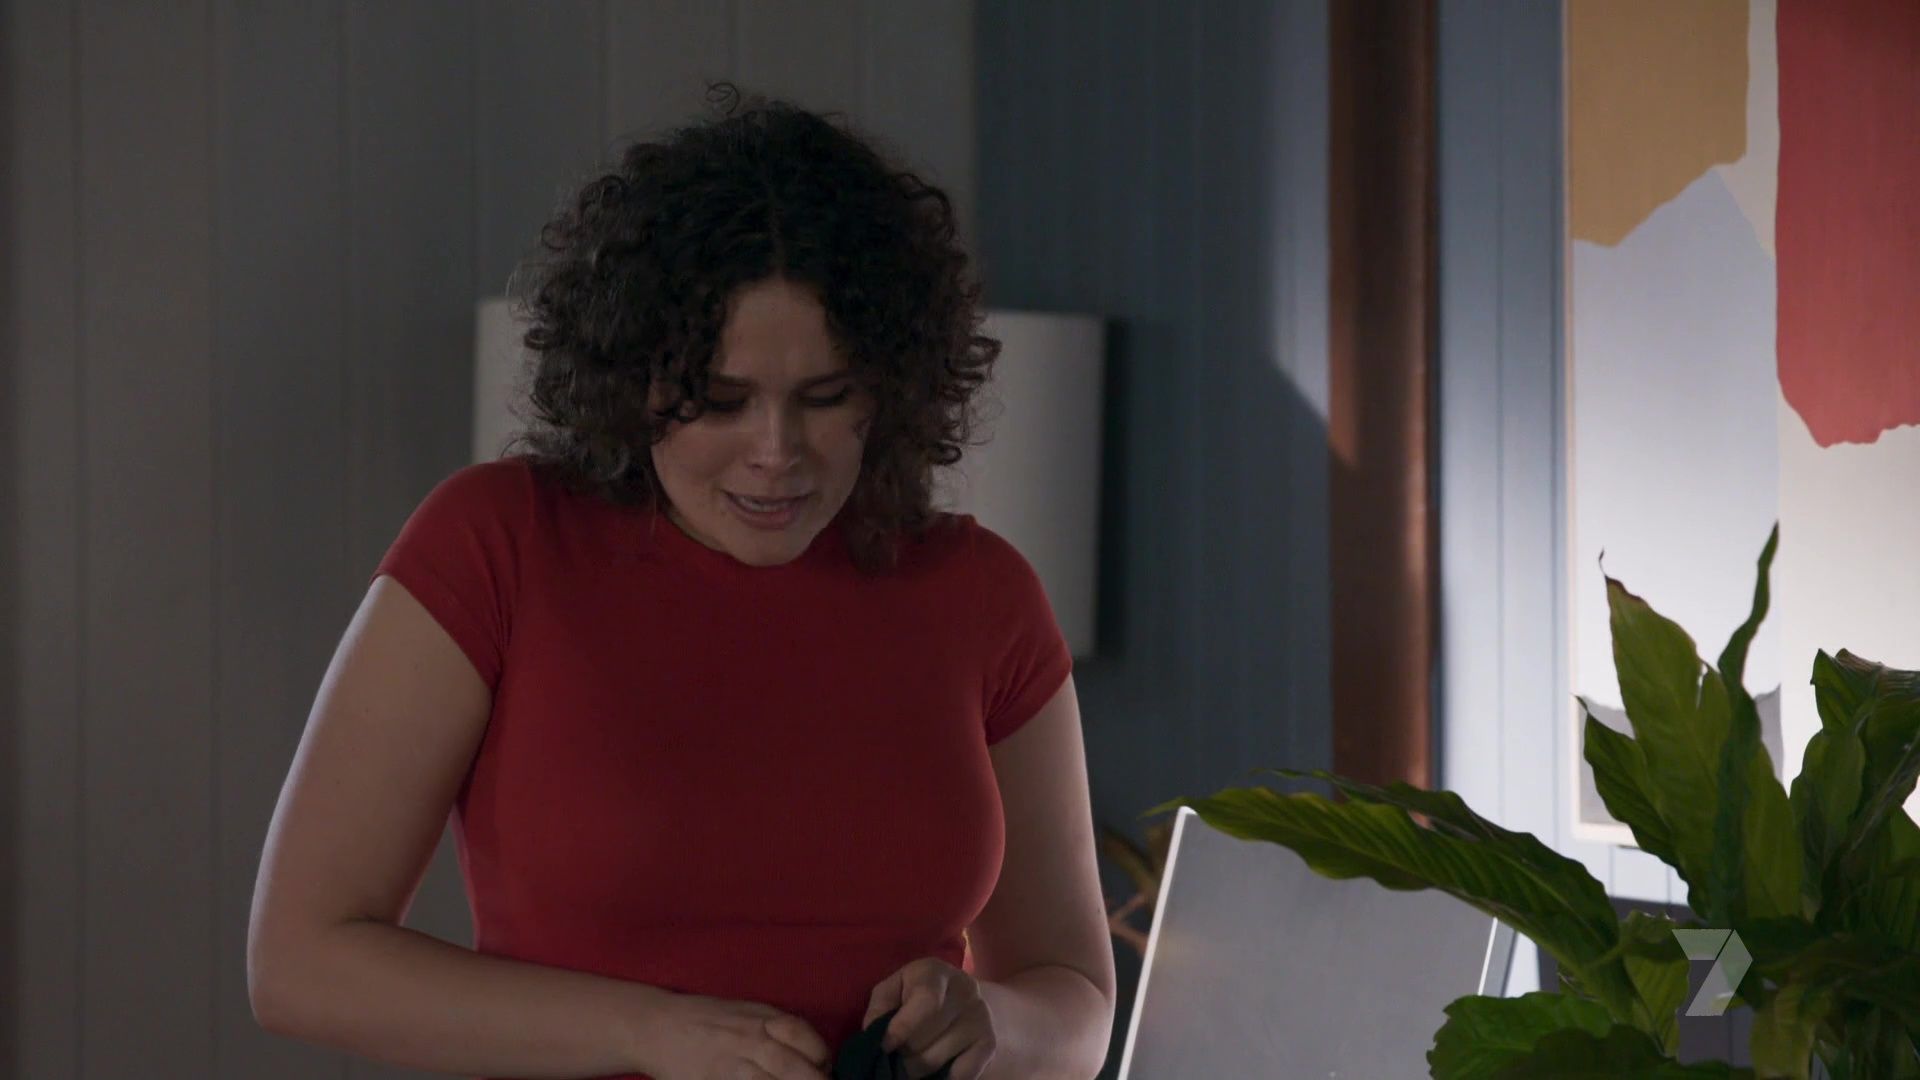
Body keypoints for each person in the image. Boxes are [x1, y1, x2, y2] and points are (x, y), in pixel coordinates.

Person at [247, 83, 1116, 1080]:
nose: (776, 452)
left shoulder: (983, 596)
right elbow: (301, 963)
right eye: (720, 400)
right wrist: (644, 1031)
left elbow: (1078, 1004)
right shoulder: (498, 546)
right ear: (634, 380)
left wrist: (996, 1020)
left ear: (890, 386)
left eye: (825, 397)